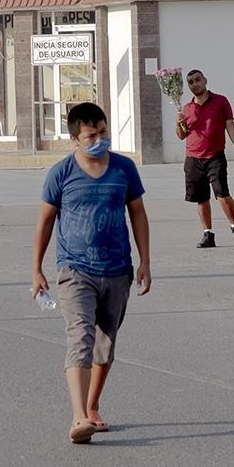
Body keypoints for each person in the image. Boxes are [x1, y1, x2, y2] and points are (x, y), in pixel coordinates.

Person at [32, 101, 150, 445]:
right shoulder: (61, 173)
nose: (99, 139)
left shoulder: (124, 169)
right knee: (80, 336)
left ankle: (93, 405)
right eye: (91, 135)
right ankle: (78, 417)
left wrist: (145, 262)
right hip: (75, 269)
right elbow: (45, 221)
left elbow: (138, 214)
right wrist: (36, 269)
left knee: (105, 344)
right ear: (74, 139)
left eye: (103, 132)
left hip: (117, 269)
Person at [177, 68, 234, 248]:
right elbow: (181, 135)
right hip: (193, 158)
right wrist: (180, 121)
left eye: (197, 79)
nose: (195, 84)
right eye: (191, 82)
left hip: (215, 156)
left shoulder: (221, 101)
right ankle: (208, 234)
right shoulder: (186, 108)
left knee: (222, 194)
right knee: (201, 198)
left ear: (205, 80)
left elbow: (230, 125)